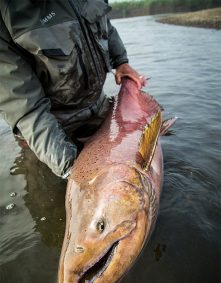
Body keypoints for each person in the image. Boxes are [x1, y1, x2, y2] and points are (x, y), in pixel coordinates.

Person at [0, 0, 145, 178]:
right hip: (50, 128)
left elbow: (104, 22)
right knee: (44, 193)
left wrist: (121, 60)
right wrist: (71, 169)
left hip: (98, 107)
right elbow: (26, 108)